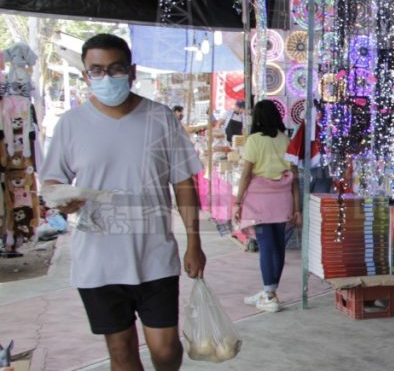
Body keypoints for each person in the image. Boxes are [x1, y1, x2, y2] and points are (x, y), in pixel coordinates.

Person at [40, 34, 205, 371]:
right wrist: (63, 201)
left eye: (114, 69)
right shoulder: (71, 125)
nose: (106, 77)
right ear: (86, 75)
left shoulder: (161, 119)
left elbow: (184, 183)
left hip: (155, 255)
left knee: (166, 349)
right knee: (122, 352)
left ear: (131, 71)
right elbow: (52, 182)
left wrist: (194, 243)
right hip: (98, 261)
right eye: (96, 70)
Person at [233, 100, 301, 313]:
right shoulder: (286, 140)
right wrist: (297, 208)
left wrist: (237, 201)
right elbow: (295, 178)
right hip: (283, 200)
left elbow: (246, 174)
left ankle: (269, 295)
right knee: (278, 246)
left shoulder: (254, 141)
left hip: (260, 202)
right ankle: (269, 291)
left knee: (266, 246)